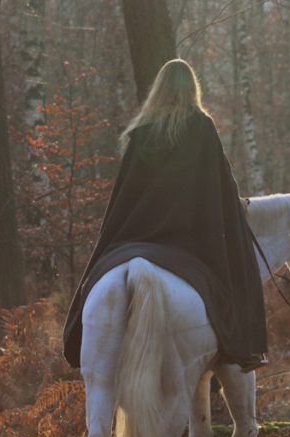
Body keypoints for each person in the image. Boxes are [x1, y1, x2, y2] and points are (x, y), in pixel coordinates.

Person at [62, 59, 268, 372]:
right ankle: (242, 347)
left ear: (157, 91)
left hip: (135, 236)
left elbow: (123, 200)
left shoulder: (141, 135)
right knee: (239, 272)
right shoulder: (201, 128)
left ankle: (78, 334)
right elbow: (220, 186)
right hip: (187, 241)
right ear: (192, 90)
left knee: (96, 277)